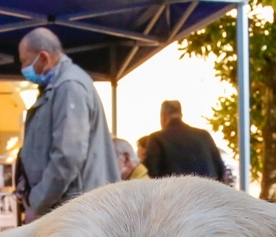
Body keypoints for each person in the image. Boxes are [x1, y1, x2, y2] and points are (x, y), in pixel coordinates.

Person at [15, 27, 120, 220]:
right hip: (68, 207)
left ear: (44, 58)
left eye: (24, 61)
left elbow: (68, 155)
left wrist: (38, 201)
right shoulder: (60, 86)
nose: (23, 68)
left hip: (76, 211)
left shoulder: (69, 86)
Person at [143, 100, 226, 181]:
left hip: (176, 193)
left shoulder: (156, 139)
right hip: (207, 192)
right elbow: (220, 170)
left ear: (163, 116)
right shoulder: (204, 135)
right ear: (181, 115)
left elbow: (152, 175)